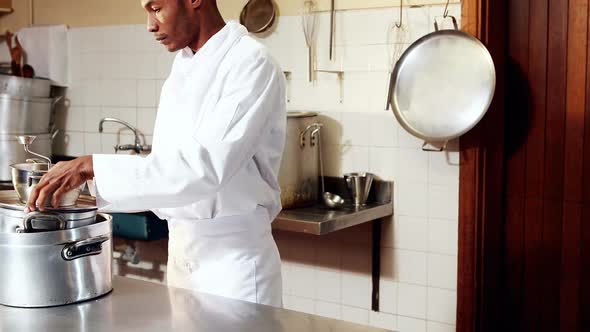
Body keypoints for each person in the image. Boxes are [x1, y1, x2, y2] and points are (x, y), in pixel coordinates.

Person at [26, 0, 287, 307]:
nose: (150, 24)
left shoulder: (251, 63)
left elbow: (201, 169)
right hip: (181, 258)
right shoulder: (183, 67)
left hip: (233, 269)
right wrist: (81, 191)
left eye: (156, 7)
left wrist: (91, 166)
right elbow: (166, 172)